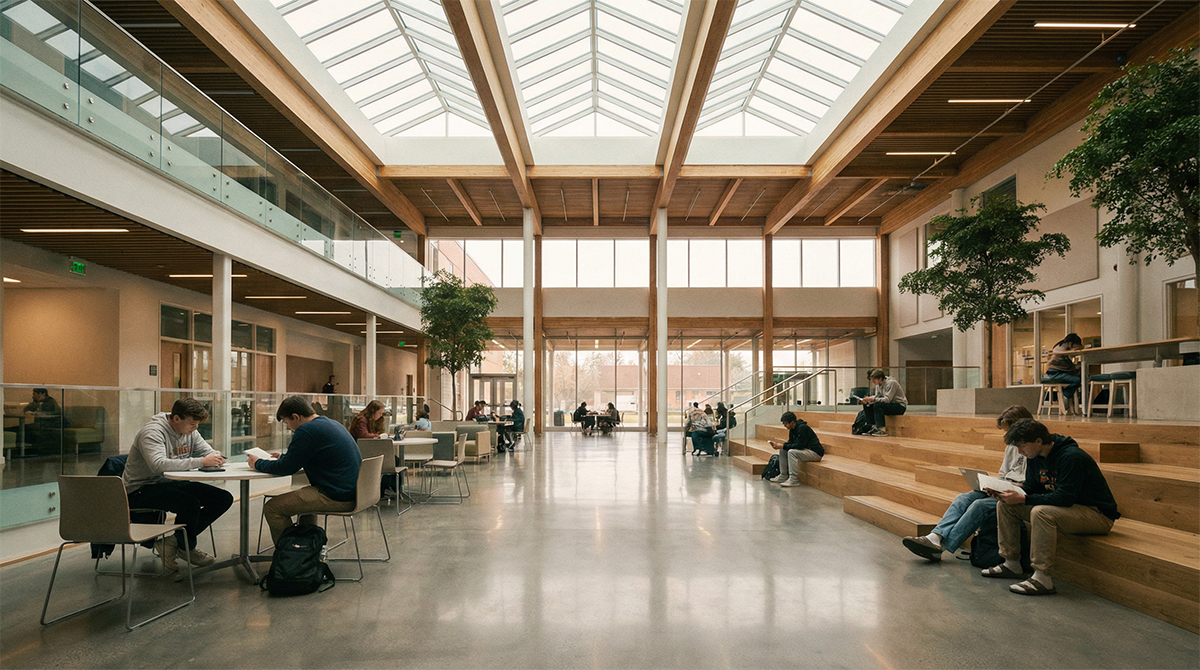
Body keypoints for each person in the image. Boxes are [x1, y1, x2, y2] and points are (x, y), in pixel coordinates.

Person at [981, 418, 1120, 596]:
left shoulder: (1071, 456)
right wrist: (1008, 492)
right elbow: (1033, 488)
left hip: (1096, 514)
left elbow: (1065, 498)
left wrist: (1023, 499)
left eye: (1022, 446)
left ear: (1039, 441)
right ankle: (1011, 563)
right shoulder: (1034, 456)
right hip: (1069, 509)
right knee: (1005, 506)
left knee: (1041, 513)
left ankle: (1042, 577)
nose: (1019, 452)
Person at [901, 405, 1033, 561]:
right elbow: (1004, 473)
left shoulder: (1033, 446)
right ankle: (935, 537)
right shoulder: (1011, 446)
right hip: (1006, 487)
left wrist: (1013, 487)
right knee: (964, 498)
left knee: (979, 506)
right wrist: (994, 485)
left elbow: (1033, 483)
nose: (1009, 437)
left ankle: (942, 547)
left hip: (1020, 493)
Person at [122, 398, 233, 571]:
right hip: (141, 489)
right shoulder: (152, 433)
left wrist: (215, 456)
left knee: (223, 498)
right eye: (191, 423)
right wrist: (202, 462)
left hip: (170, 483)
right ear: (176, 418)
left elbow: (207, 452)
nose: (195, 427)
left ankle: (174, 543)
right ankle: (187, 548)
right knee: (190, 504)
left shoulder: (190, 432)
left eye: (197, 423)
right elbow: (158, 465)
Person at [249, 396, 363, 546]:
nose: (288, 427)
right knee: (304, 498)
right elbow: (311, 455)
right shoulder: (330, 423)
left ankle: (291, 556)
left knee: (272, 508)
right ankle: (305, 548)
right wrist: (285, 457)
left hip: (336, 495)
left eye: (287, 423)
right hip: (354, 491)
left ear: (296, 417)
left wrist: (258, 463)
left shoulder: (306, 430)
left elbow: (286, 468)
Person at [766, 411, 823, 487]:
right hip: (806, 450)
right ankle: (783, 475)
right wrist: (780, 446)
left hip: (815, 453)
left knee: (791, 452)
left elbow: (800, 446)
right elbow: (791, 443)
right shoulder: (792, 429)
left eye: (786, 423)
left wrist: (783, 446)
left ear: (792, 422)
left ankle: (793, 480)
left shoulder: (803, 428)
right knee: (783, 450)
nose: (784, 425)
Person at [1041, 333, 1084, 414]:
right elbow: (1068, 365)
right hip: (1056, 373)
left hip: (1055, 372)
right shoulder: (1063, 349)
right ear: (1071, 343)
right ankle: (1066, 395)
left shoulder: (1060, 346)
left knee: (1078, 379)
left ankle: (1071, 406)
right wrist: (1075, 368)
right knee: (1079, 380)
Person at [861, 368, 907, 437]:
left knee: (877, 405)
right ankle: (873, 427)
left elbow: (887, 399)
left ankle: (882, 429)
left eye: (874, 379)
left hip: (899, 406)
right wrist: (868, 400)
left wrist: (872, 399)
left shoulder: (892, 383)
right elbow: (877, 397)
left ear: (880, 378)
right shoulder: (878, 385)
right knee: (868, 405)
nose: (872, 381)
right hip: (889, 405)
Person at [21, 387, 62, 452]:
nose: (35, 396)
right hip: (40, 423)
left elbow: (58, 412)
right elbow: (27, 408)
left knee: (27, 428)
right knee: (24, 427)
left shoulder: (51, 401)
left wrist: (39, 413)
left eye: (36, 394)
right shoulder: (36, 402)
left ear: (43, 394)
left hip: (51, 423)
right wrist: (27, 410)